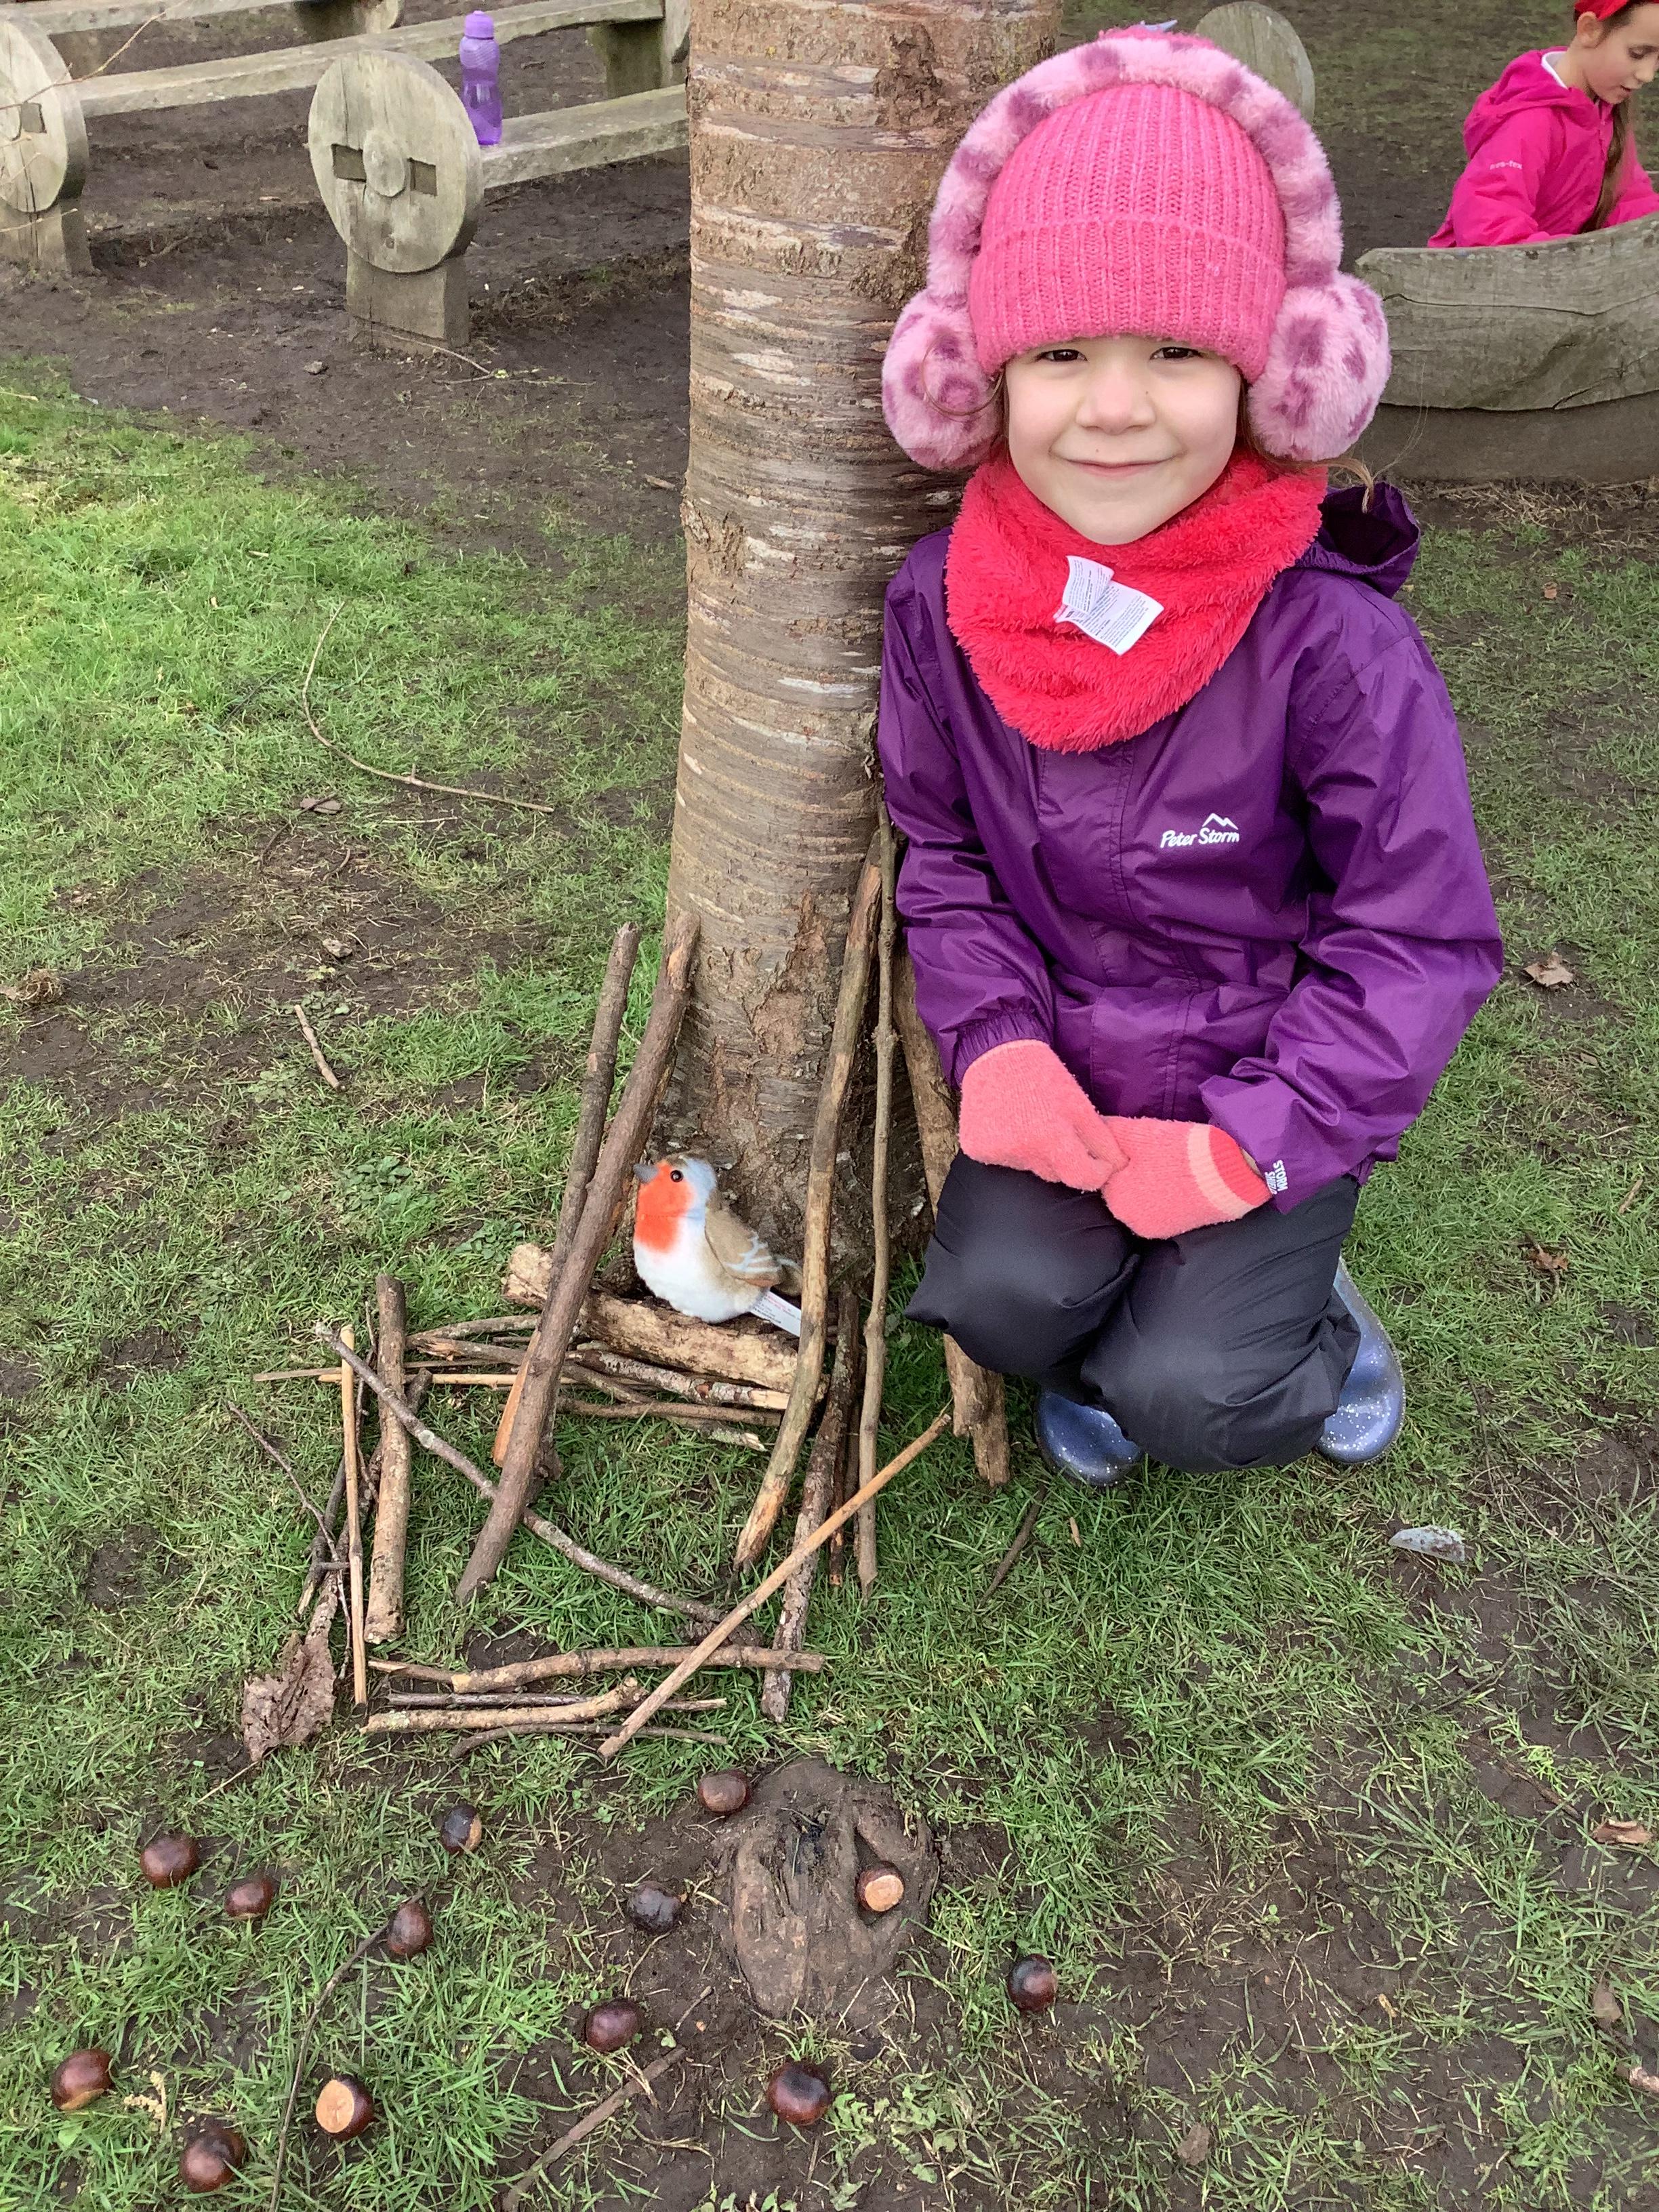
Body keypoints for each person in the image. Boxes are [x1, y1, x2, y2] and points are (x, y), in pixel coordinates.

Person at [876, 26, 1504, 1491]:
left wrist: (1248, 1147)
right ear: (978, 375)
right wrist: (999, 1044)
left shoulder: (1335, 644)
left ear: (1269, 378)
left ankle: (1306, 1314)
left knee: (1192, 1395)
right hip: (1069, 1069)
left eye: (1173, 351)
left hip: (1258, 1081)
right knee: (996, 1303)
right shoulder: (941, 603)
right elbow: (946, 855)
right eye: (1059, 354)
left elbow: (1415, 939)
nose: (1113, 408)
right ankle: (1166, 1307)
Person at [1430, 2, 1659, 247]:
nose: (1647, 75)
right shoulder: (1530, 122)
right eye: (1637, 53)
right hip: (1484, 269)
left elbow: (1627, 198)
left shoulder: (1604, 110)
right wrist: (1581, 255)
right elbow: (1489, 225)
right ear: (1590, 30)